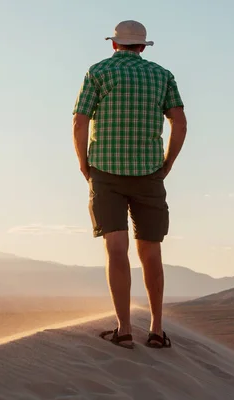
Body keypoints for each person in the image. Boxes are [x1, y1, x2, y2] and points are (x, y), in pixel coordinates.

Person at [72, 20, 187, 349]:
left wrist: (83, 163)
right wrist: (168, 163)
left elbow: (80, 120)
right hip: (149, 172)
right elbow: (179, 121)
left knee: (116, 249)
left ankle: (123, 329)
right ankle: (156, 328)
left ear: (114, 45)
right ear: (142, 47)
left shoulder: (98, 72)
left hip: (105, 172)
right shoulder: (162, 75)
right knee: (151, 251)